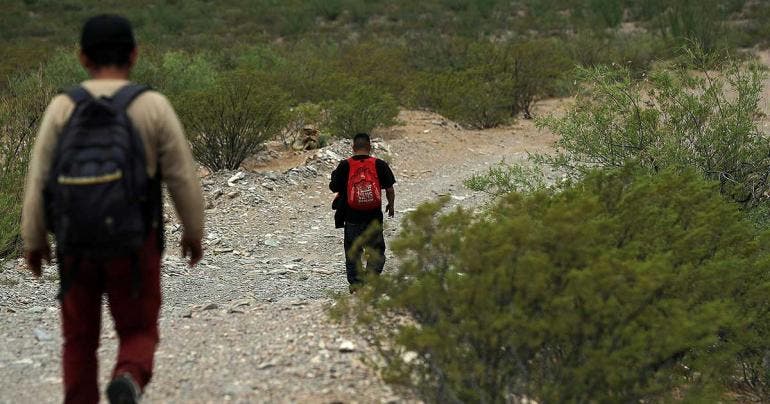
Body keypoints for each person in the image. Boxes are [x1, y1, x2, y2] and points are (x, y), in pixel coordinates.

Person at [21, 15, 205, 404]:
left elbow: (38, 179)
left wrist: (34, 240)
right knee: (138, 330)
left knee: (78, 341)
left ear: (82, 57)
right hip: (134, 244)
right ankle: (129, 376)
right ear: (134, 55)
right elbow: (182, 178)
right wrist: (193, 233)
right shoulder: (152, 105)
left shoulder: (61, 108)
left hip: (75, 245)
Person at [329, 133, 396, 290]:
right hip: (373, 217)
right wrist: (391, 205)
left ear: (353, 148)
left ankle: (356, 285)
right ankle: (371, 280)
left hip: (352, 217)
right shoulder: (379, 164)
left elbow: (334, 187)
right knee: (376, 251)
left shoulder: (345, 165)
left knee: (353, 251)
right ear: (370, 147)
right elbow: (390, 189)